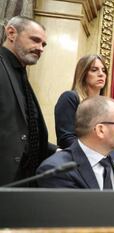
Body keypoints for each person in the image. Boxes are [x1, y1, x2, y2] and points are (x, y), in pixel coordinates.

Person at [0, 16, 56, 186]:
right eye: (35, 40)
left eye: (43, 44)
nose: (40, 48)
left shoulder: (22, 75)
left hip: (24, 183)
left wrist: (61, 151)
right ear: (11, 33)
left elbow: (27, 133)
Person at [55, 54, 108, 149]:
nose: (101, 74)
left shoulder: (107, 106)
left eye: (103, 70)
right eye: (94, 70)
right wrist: (95, 153)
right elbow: (66, 139)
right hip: (77, 159)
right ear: (83, 74)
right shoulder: (70, 98)